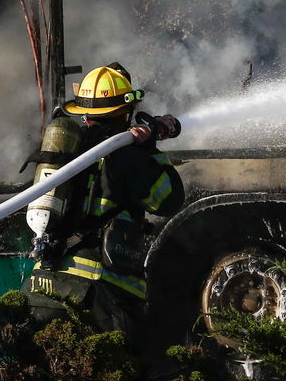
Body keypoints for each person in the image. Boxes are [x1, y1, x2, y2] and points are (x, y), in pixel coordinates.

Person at [23, 62, 183, 337]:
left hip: (41, 285)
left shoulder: (65, 151)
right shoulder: (124, 155)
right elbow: (168, 200)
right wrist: (150, 151)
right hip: (96, 293)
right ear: (126, 112)